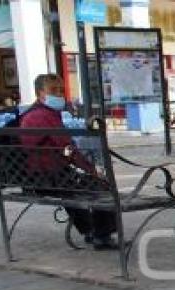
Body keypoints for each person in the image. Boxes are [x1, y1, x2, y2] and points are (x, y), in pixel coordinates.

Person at [19, 73, 118, 250]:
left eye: (60, 90)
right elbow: (67, 149)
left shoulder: (32, 114)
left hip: (36, 177)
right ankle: (101, 236)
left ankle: (90, 231)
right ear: (40, 93)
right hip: (48, 177)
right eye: (53, 90)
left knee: (74, 187)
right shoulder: (43, 116)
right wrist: (91, 169)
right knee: (100, 184)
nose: (59, 94)